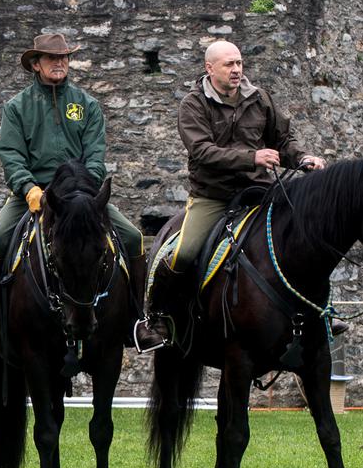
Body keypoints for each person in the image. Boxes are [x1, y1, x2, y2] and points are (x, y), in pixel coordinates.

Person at [133, 39, 327, 350]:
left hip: (259, 194)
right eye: (229, 64)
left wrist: (303, 158)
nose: (236, 69)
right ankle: (157, 319)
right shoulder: (193, 104)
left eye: (239, 63)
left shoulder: (259, 98)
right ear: (210, 68)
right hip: (213, 196)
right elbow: (201, 151)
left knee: (305, 237)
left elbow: (283, 141)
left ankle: (321, 313)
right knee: (182, 253)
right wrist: (251, 158)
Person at [0, 33, 149, 351]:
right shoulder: (16, 107)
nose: (60, 62)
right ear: (36, 64)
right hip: (33, 196)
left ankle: (137, 318)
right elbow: (10, 155)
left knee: (132, 237)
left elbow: (95, 156)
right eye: (52, 57)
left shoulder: (87, 104)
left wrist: (86, 194)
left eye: (64, 57)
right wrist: (29, 188)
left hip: (81, 198)